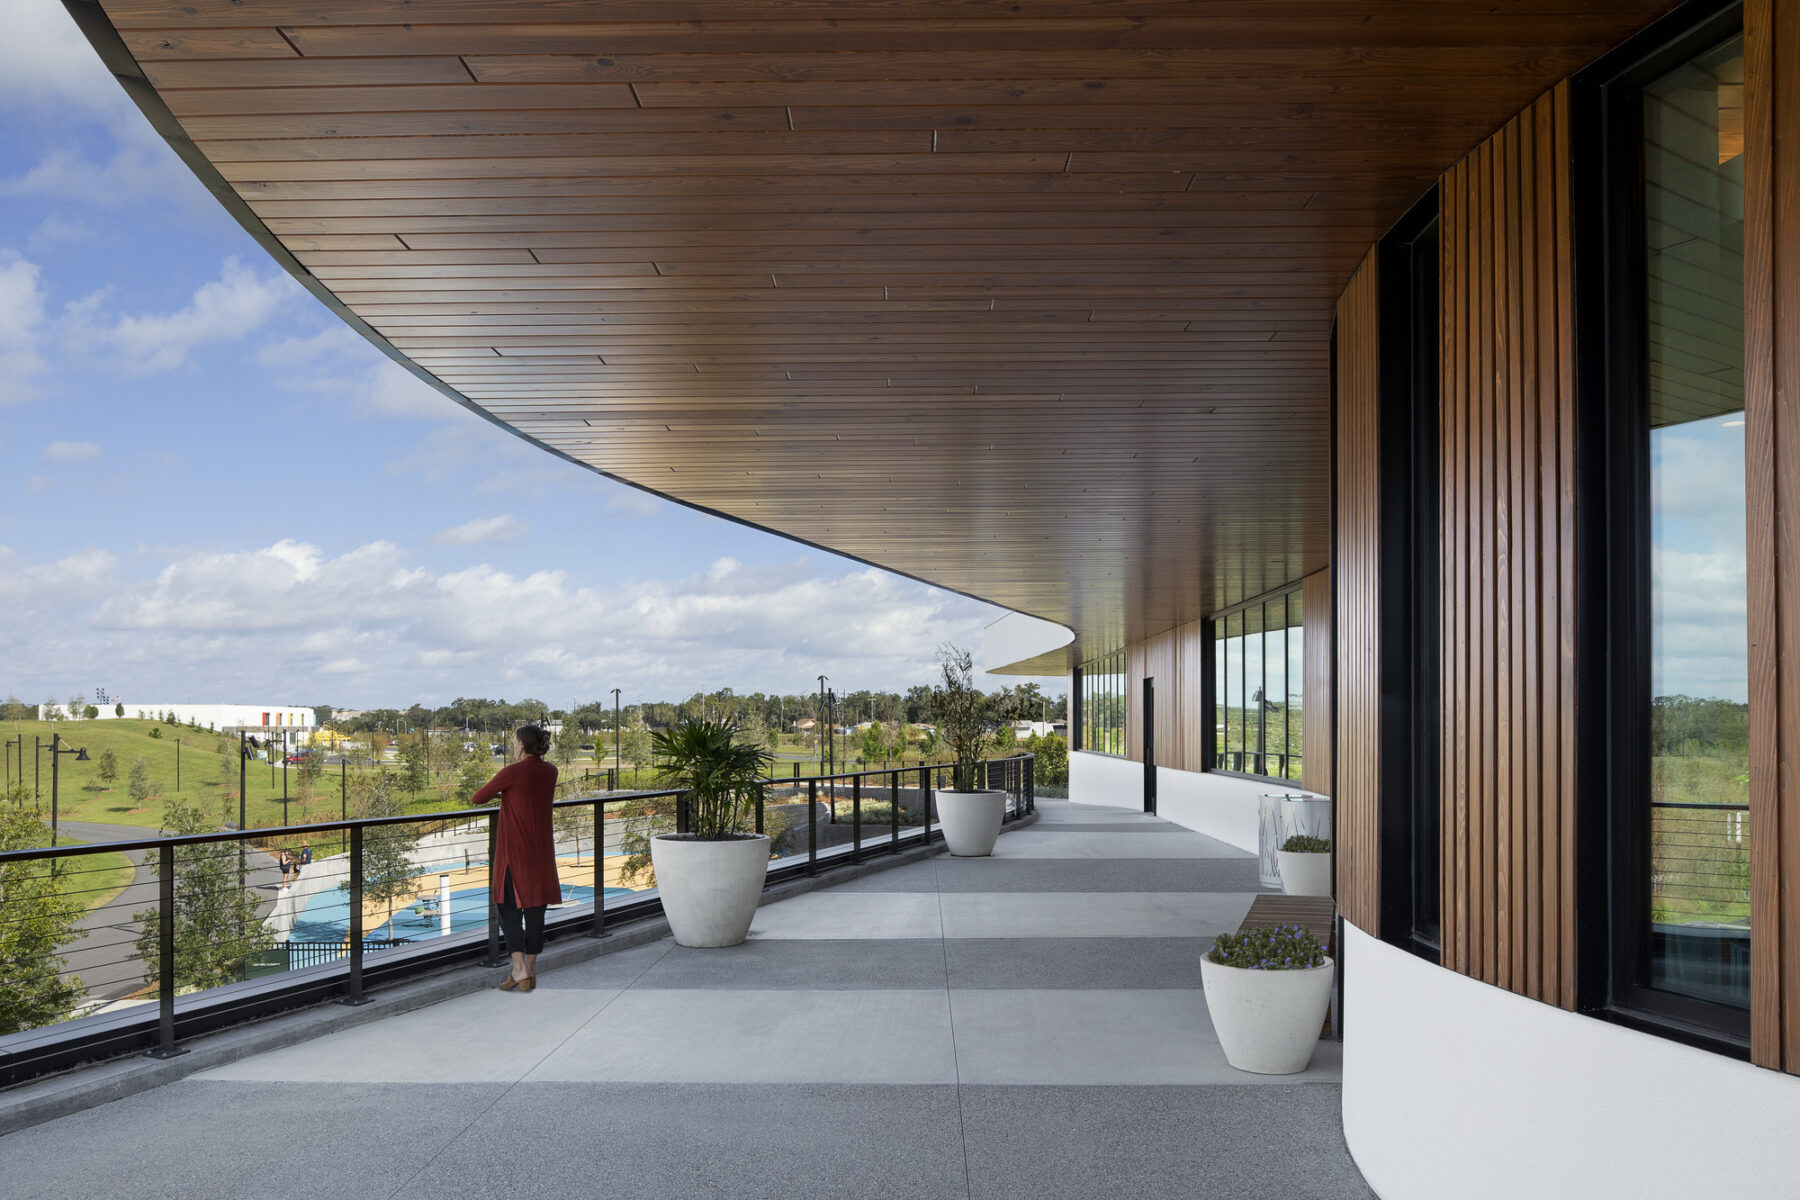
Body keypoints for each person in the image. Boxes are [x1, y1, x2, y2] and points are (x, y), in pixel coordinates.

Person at [470, 725, 561, 992]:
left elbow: (478, 797)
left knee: (508, 909)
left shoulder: (512, 772)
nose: (513, 743)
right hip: (541, 852)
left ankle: (519, 967)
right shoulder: (551, 771)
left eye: (514, 740)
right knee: (535, 910)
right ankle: (528, 971)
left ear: (521, 744)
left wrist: (505, 794)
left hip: (515, 853)